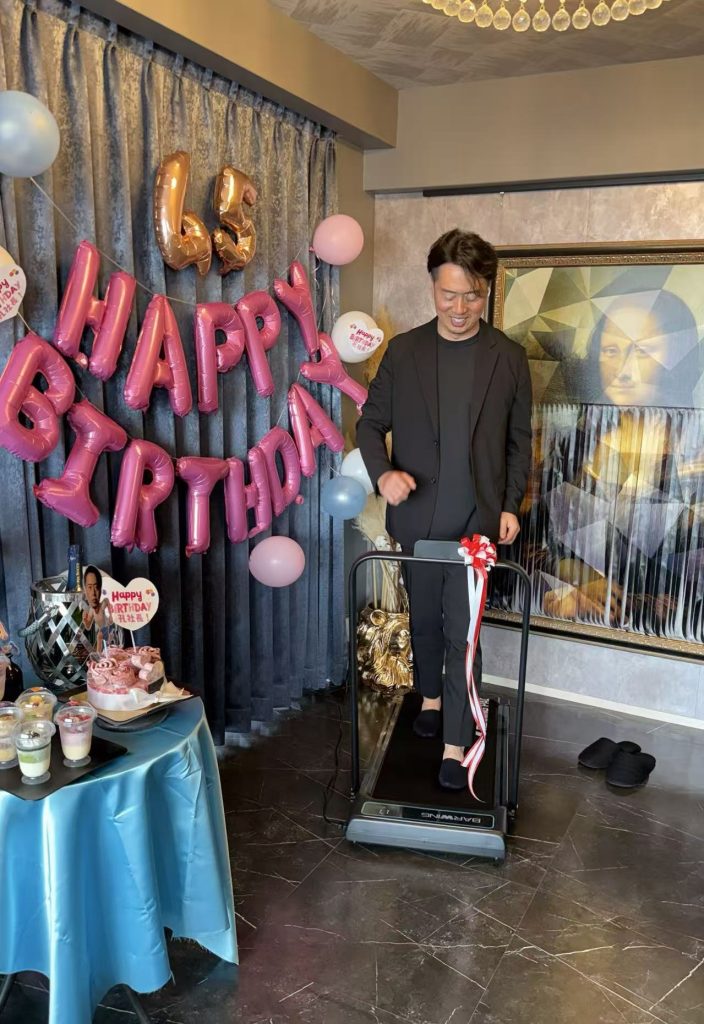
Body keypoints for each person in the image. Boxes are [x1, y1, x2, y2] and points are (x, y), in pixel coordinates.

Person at [357, 229, 533, 789]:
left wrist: (510, 504)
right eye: (448, 294)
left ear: (488, 291)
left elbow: (519, 443)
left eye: (472, 296)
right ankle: (429, 697)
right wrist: (383, 473)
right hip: (418, 518)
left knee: (463, 634)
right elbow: (370, 425)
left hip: (475, 526)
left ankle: (456, 743)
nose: (459, 309)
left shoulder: (509, 358)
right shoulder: (404, 352)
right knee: (425, 620)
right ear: (432, 286)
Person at [82, 565, 112, 653]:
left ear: (100, 588)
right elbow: (88, 626)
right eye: (90, 587)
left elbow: (108, 604)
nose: (93, 593)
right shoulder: (91, 609)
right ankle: (99, 656)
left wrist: (111, 616)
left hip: (108, 629)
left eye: (96, 587)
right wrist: (85, 621)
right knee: (99, 639)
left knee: (109, 647)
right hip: (99, 631)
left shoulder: (104, 603)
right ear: (85, 589)